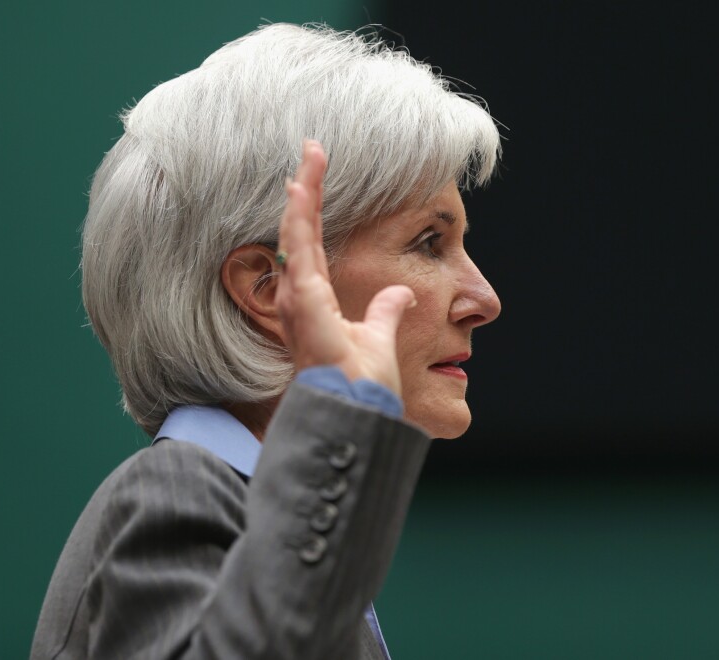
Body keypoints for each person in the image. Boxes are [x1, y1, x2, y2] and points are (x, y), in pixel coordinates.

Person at [32, 23, 501, 659]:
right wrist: (339, 422)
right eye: (427, 242)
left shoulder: (259, 517)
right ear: (271, 288)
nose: (483, 300)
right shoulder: (178, 492)